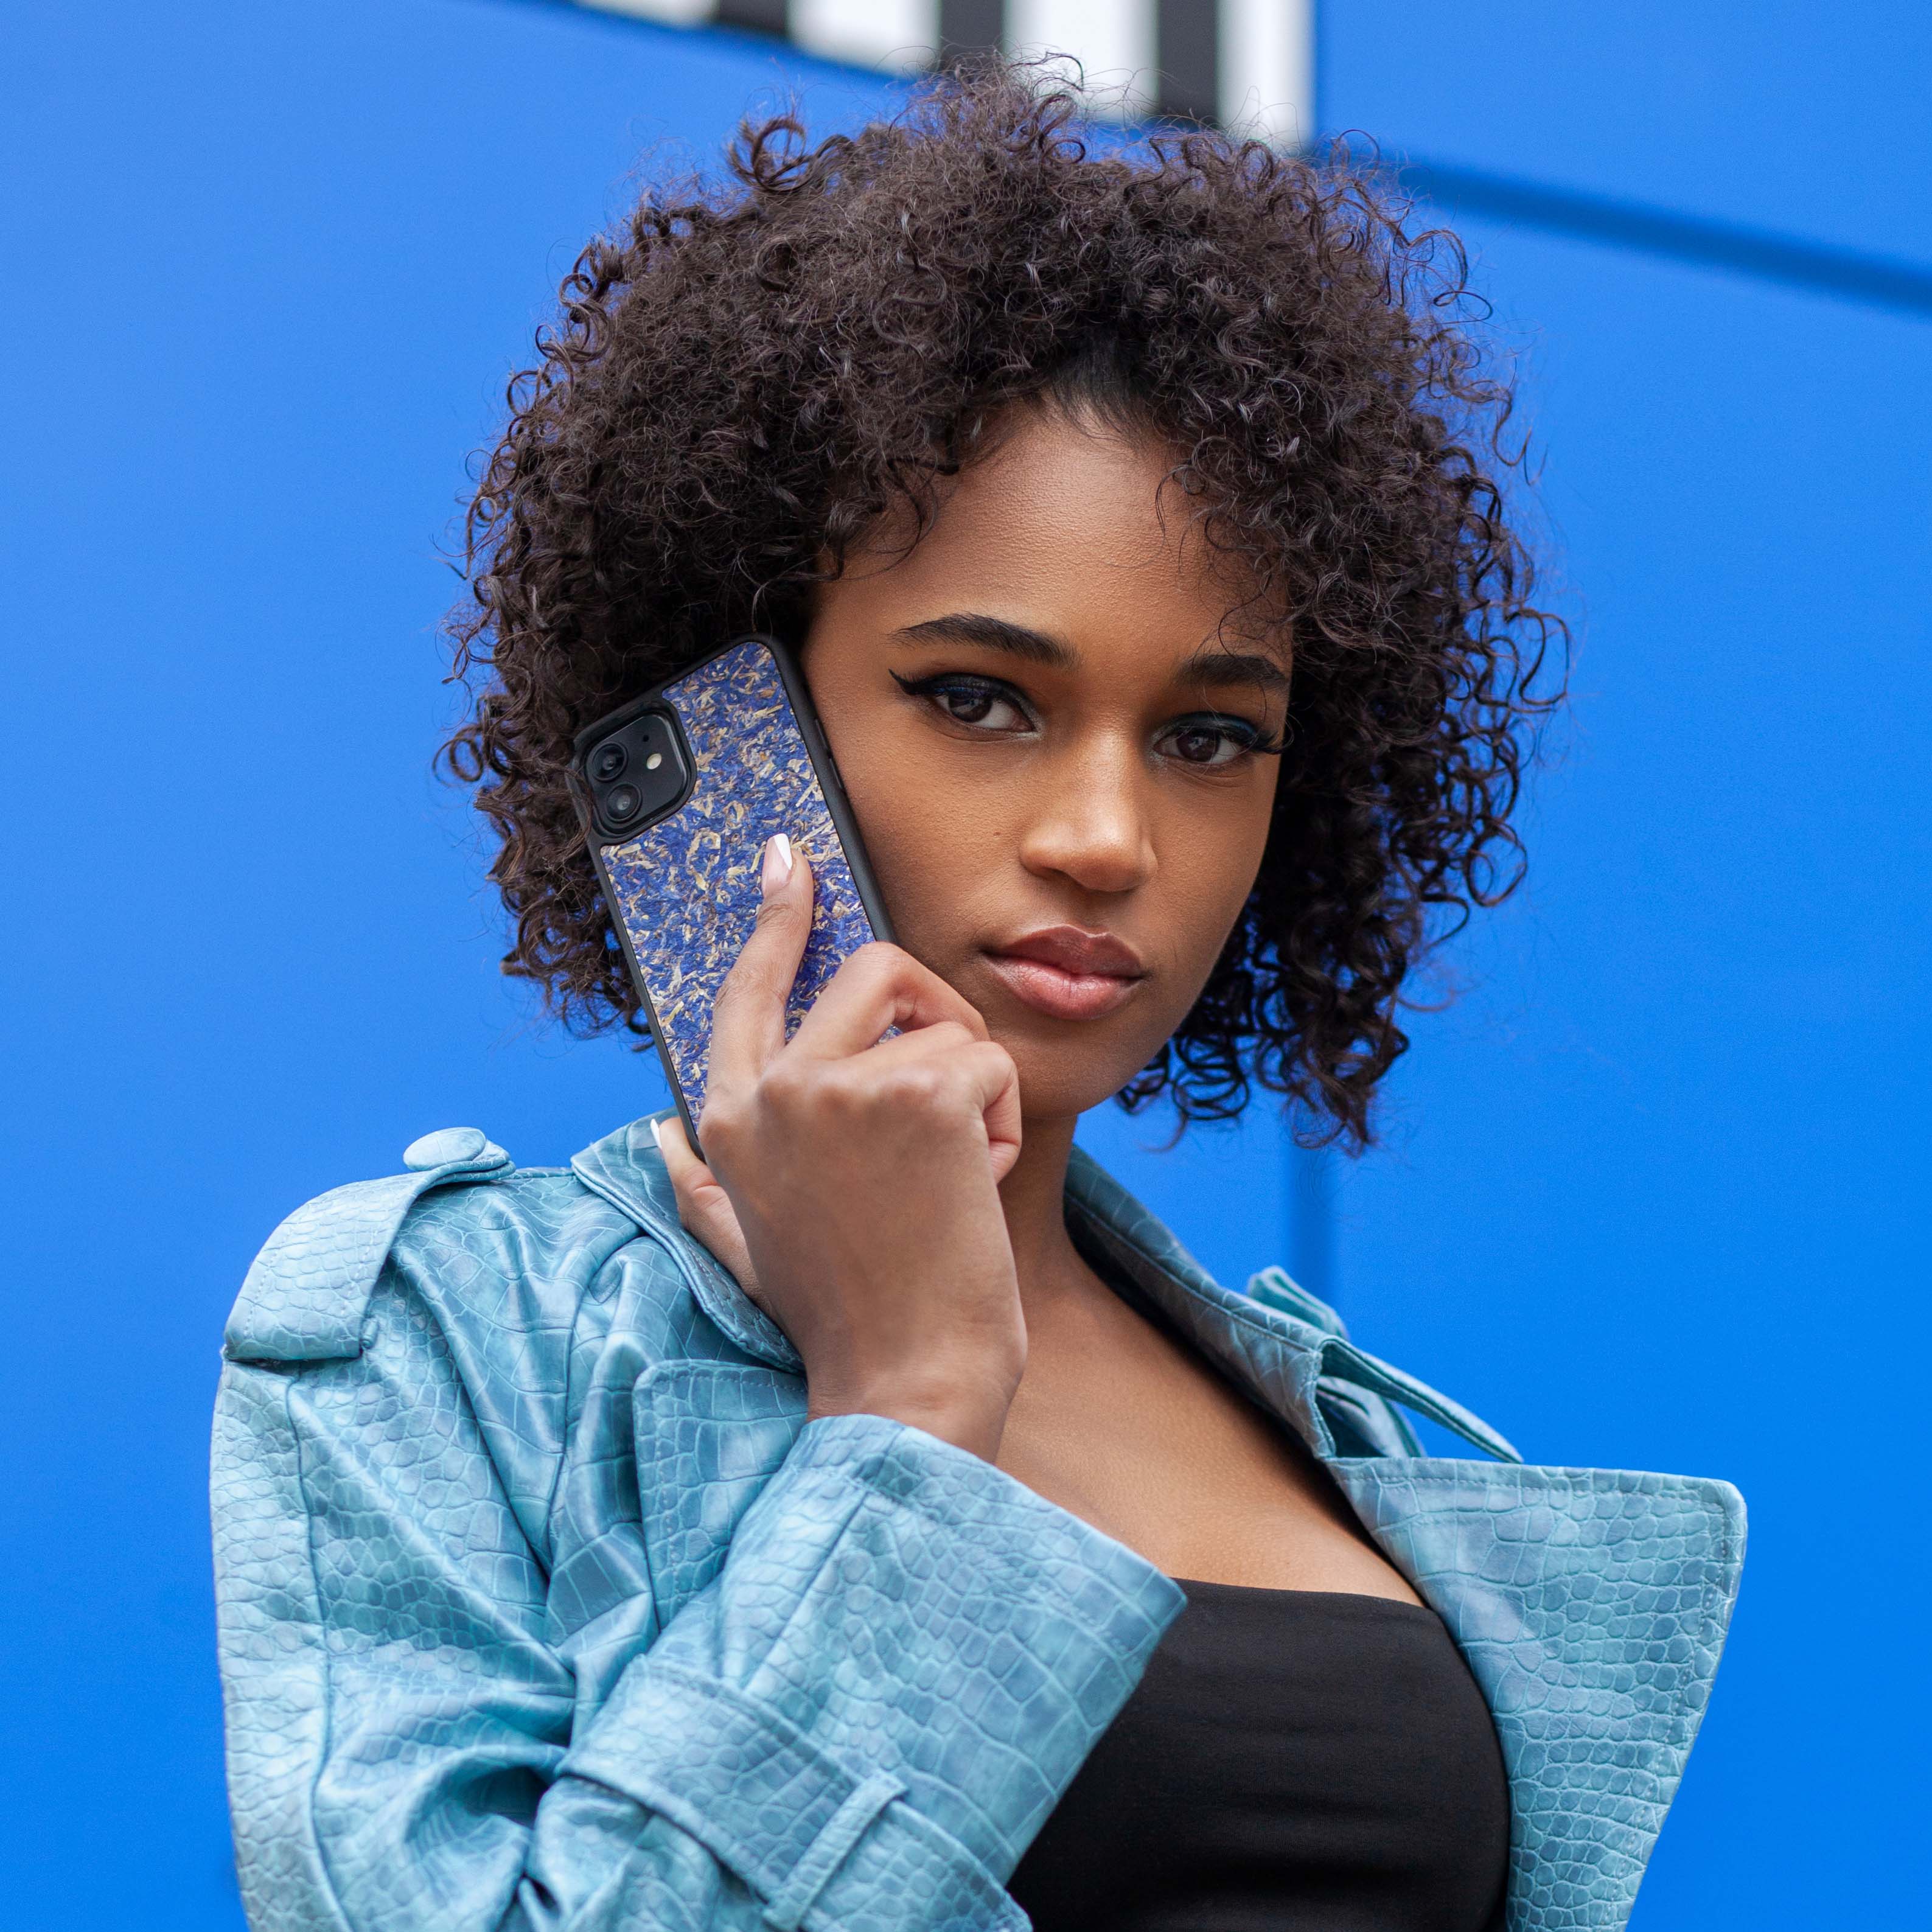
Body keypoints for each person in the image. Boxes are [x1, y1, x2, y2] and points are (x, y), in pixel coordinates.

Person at [211, 70, 1744, 1932]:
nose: (1109, 836)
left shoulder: (1323, 1423)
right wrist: (911, 1409)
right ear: (736, 718)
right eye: (980, 698)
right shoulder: (464, 1341)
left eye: (1208, 735)